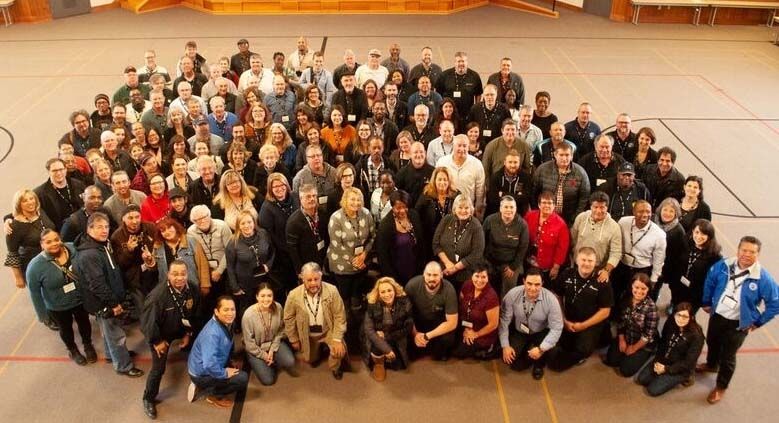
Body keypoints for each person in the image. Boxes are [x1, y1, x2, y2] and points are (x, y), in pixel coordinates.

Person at [697, 236, 779, 404]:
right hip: (718, 315)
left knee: (728, 357)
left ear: (758, 254)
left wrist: (757, 322)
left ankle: (721, 387)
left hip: (738, 324)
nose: (747, 254)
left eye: (752, 252)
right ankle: (712, 364)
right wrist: (706, 302)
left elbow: (775, 304)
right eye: (744, 250)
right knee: (712, 342)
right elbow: (710, 281)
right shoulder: (723, 265)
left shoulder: (764, 279)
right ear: (738, 250)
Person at [74, 212, 144, 378]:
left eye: (106, 226)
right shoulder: (90, 255)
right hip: (104, 302)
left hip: (106, 300)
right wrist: (114, 303)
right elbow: (97, 284)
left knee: (108, 331)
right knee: (116, 334)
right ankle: (123, 365)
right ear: (89, 229)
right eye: (99, 227)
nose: (104, 230)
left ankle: (111, 355)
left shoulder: (102, 245)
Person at [140, 260, 201, 419]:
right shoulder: (157, 297)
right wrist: (157, 342)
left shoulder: (193, 289)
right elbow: (147, 324)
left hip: (181, 327)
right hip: (161, 334)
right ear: (168, 275)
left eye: (183, 274)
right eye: (175, 274)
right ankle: (148, 398)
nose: (179, 278)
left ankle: (203, 379)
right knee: (158, 369)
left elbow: (195, 313)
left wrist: (188, 333)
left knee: (201, 342)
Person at [27, 229, 94, 364]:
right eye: (48, 242)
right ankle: (72, 350)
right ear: (42, 244)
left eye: (56, 240)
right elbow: (34, 292)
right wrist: (43, 316)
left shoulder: (72, 249)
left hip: (79, 299)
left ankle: (88, 344)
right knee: (66, 329)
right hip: (58, 306)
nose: (54, 244)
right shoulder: (35, 266)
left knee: (84, 323)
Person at [546, 247, 613, 372]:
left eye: (590, 261)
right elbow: (556, 295)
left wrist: (583, 325)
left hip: (590, 323)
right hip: (568, 319)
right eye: (583, 260)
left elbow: (605, 311)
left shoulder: (602, 281)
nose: (586, 264)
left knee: (583, 349)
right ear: (576, 260)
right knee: (563, 344)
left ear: (596, 263)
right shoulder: (567, 273)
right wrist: (564, 319)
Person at [284, 262, 349, 379]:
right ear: (302, 279)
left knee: (339, 351)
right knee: (310, 360)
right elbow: (289, 318)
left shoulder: (332, 290)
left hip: (328, 330)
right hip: (307, 333)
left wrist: (337, 339)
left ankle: (335, 367)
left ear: (321, 277)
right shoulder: (293, 295)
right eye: (309, 280)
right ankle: (319, 350)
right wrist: (293, 339)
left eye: (316, 279)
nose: (313, 283)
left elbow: (340, 316)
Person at [500, 268, 563, 379]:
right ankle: (530, 352)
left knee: (553, 354)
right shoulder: (512, 294)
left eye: (537, 284)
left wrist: (541, 349)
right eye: (529, 283)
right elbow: (504, 321)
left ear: (542, 283)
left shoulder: (551, 300)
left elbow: (557, 328)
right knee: (513, 362)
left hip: (541, 331)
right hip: (520, 331)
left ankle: (539, 363)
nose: (533, 288)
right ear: (524, 281)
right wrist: (505, 345)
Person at [187, 296, 249, 408]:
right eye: (226, 310)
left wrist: (231, 360)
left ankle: (204, 385)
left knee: (235, 368)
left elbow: (229, 342)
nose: (230, 313)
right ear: (216, 311)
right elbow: (209, 364)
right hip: (202, 373)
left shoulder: (228, 322)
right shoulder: (212, 333)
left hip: (209, 364)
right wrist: (224, 373)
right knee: (242, 378)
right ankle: (212, 394)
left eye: (232, 309)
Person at [637, 302, 705, 396]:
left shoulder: (697, 336)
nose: (680, 319)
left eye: (685, 317)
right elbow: (663, 342)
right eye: (678, 315)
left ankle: (687, 377)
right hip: (664, 359)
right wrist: (658, 360)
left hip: (680, 367)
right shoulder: (670, 322)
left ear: (691, 318)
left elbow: (688, 362)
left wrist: (666, 369)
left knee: (652, 390)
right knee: (642, 379)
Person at [225, 210, 275, 324]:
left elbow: (272, 251)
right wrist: (235, 287)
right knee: (247, 312)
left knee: (265, 307)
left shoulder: (263, 234)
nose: (247, 225)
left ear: (254, 222)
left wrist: (268, 265)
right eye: (243, 223)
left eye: (249, 222)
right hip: (245, 284)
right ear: (238, 226)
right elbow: (230, 267)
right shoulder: (233, 242)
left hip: (263, 280)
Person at [604, 273, 658, 377]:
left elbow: (648, 335)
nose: (639, 291)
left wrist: (634, 348)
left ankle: (647, 354)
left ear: (648, 289)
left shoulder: (651, 308)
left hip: (642, 343)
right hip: (627, 336)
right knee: (612, 361)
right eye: (636, 287)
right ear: (631, 286)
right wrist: (622, 340)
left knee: (626, 370)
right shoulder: (626, 299)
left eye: (643, 288)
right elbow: (620, 322)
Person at [242, 283, 297, 385]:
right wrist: (264, 356)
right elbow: (249, 343)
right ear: (257, 297)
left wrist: (272, 350)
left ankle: (271, 361)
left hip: (273, 343)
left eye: (269, 296)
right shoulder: (248, 315)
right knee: (268, 380)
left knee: (290, 362)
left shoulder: (278, 307)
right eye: (262, 296)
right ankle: (259, 361)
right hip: (255, 348)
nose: (266, 299)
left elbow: (281, 330)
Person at [363, 277, 413, 381]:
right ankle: (379, 365)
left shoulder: (405, 303)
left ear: (395, 290)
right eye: (383, 292)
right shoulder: (372, 304)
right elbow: (369, 330)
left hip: (396, 336)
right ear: (378, 294)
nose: (387, 294)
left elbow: (408, 328)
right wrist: (386, 349)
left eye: (389, 290)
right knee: (377, 345)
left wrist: (387, 335)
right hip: (377, 338)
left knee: (398, 365)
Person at [406, 262, 458, 361]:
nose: (431, 278)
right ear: (423, 274)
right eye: (429, 274)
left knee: (446, 342)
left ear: (441, 275)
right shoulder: (412, 285)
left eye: (435, 275)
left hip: (438, 324)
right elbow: (407, 315)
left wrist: (427, 336)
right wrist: (415, 334)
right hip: (418, 323)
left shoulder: (449, 289)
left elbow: (452, 323)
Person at [6, 190, 56, 293]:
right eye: (25, 201)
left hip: (53, 260)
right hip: (34, 265)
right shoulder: (14, 226)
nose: (30, 202)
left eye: (31, 198)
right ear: (19, 204)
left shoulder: (40, 212)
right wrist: (18, 277)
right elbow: (12, 254)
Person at [432, 194, 485, 290]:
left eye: (466, 208)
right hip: (444, 270)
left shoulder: (476, 226)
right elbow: (436, 244)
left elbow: (477, 254)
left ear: (471, 209)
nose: (463, 211)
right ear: (455, 208)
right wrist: (447, 263)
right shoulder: (447, 219)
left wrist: (455, 268)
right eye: (460, 207)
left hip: (465, 275)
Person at [151, 217, 211, 298]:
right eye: (163, 231)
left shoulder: (191, 241)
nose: (167, 232)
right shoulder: (157, 246)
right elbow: (154, 268)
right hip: (168, 289)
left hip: (191, 286)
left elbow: (203, 263)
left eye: (169, 228)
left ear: (175, 227)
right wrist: (148, 261)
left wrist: (205, 285)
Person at [376, 190, 426, 286]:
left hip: (416, 271)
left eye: (405, 207)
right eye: (398, 208)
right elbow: (383, 258)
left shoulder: (414, 215)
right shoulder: (385, 226)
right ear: (392, 207)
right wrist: (393, 282)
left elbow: (421, 243)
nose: (402, 211)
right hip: (396, 275)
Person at [532, 143, 589, 225]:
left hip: (569, 219)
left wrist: (576, 217)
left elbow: (584, 197)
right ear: (555, 155)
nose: (564, 158)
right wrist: (539, 212)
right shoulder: (542, 169)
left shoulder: (580, 172)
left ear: (572, 156)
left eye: (567, 155)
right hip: (545, 215)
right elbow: (534, 193)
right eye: (561, 155)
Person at [483, 196, 529, 298]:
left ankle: (506, 306)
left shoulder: (522, 225)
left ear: (516, 209)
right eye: (506, 207)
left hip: (511, 263)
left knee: (508, 292)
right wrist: (484, 262)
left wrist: (513, 267)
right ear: (500, 208)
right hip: (490, 261)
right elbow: (482, 241)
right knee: (486, 287)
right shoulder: (490, 220)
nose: (509, 210)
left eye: (512, 207)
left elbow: (523, 248)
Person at [570, 192, 622, 282]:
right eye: (595, 207)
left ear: (607, 208)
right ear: (590, 206)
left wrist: (606, 271)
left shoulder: (614, 227)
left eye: (602, 207)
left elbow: (616, 253)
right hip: (577, 266)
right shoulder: (581, 218)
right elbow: (572, 240)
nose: (598, 211)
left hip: (598, 270)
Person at [671, 219, 721, 312]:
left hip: (695, 294)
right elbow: (676, 263)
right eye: (697, 232)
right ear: (693, 231)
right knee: (675, 309)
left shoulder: (715, 256)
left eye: (703, 234)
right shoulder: (686, 244)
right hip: (679, 287)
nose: (698, 236)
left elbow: (713, 280)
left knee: (686, 314)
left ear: (709, 236)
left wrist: (707, 299)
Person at [187, 205, 233, 303]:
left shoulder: (222, 226)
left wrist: (219, 271)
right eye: (198, 219)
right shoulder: (190, 232)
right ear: (194, 221)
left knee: (226, 298)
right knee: (209, 301)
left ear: (210, 215)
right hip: (206, 271)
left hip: (225, 267)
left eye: (205, 216)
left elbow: (230, 250)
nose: (203, 221)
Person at [453, 263, 500, 360]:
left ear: (488, 278)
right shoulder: (467, 285)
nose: (479, 280)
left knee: (458, 353)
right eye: (477, 276)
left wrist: (475, 334)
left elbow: (493, 324)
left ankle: (489, 348)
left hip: (482, 331)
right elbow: (461, 304)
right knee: (449, 342)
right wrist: (466, 328)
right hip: (467, 325)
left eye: (483, 277)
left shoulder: (492, 297)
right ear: (472, 276)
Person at [435, 135, 486, 216]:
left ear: (468, 147)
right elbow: (435, 184)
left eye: (464, 146)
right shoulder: (442, 162)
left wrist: (477, 209)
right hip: (446, 210)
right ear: (453, 146)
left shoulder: (477, 164)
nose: (462, 149)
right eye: (459, 145)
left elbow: (480, 190)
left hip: (467, 210)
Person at [525, 192, 569, 283]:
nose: (547, 205)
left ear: (554, 205)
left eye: (550, 203)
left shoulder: (561, 224)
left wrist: (556, 267)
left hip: (546, 266)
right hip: (527, 262)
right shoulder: (530, 216)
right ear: (539, 204)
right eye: (544, 202)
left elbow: (562, 248)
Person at [286, 184, 329, 273]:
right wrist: (300, 271)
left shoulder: (322, 213)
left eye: (314, 196)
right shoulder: (293, 222)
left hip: (323, 260)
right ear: (301, 199)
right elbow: (293, 250)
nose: (312, 199)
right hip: (306, 265)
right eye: (308, 196)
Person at [653, 197, 688, 302]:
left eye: (671, 211)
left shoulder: (679, 231)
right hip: (645, 263)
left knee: (653, 291)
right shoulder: (652, 220)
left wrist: (667, 274)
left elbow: (678, 257)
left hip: (662, 269)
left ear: (676, 213)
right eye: (665, 210)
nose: (667, 213)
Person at [35, 158, 85, 230]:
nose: (58, 173)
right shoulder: (40, 193)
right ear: (48, 172)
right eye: (54, 171)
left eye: (61, 169)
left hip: (82, 227)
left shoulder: (78, 185)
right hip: (59, 231)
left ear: (65, 170)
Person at [435, 51, 483, 124]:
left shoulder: (474, 76)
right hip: (449, 115)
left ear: (467, 62)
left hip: (467, 115)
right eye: (458, 61)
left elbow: (478, 94)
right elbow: (438, 93)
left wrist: (475, 109)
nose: (461, 64)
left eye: (463, 61)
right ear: (455, 63)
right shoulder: (444, 75)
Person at [415, 166, 458, 240]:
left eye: (445, 180)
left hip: (450, 238)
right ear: (434, 181)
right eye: (439, 179)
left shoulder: (456, 196)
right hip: (429, 238)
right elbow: (416, 216)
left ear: (449, 181)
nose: (442, 182)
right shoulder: (426, 196)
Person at [486, 148, 532, 217]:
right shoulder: (496, 177)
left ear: (519, 162)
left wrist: (503, 194)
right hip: (498, 214)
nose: (513, 165)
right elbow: (493, 199)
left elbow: (526, 198)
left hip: (519, 215)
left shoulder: (526, 177)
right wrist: (518, 196)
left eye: (515, 162)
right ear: (505, 162)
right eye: (510, 162)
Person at [467, 84, 511, 149]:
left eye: (492, 94)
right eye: (487, 95)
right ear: (483, 96)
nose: (489, 97)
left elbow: (509, 128)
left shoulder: (504, 109)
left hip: (498, 145)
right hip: (479, 146)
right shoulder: (475, 109)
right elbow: (469, 127)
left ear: (496, 95)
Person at [395, 141, 433, 207]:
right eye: (415, 152)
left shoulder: (433, 172)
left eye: (421, 152)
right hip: (408, 208)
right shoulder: (402, 173)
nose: (419, 155)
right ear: (410, 154)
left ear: (425, 153)